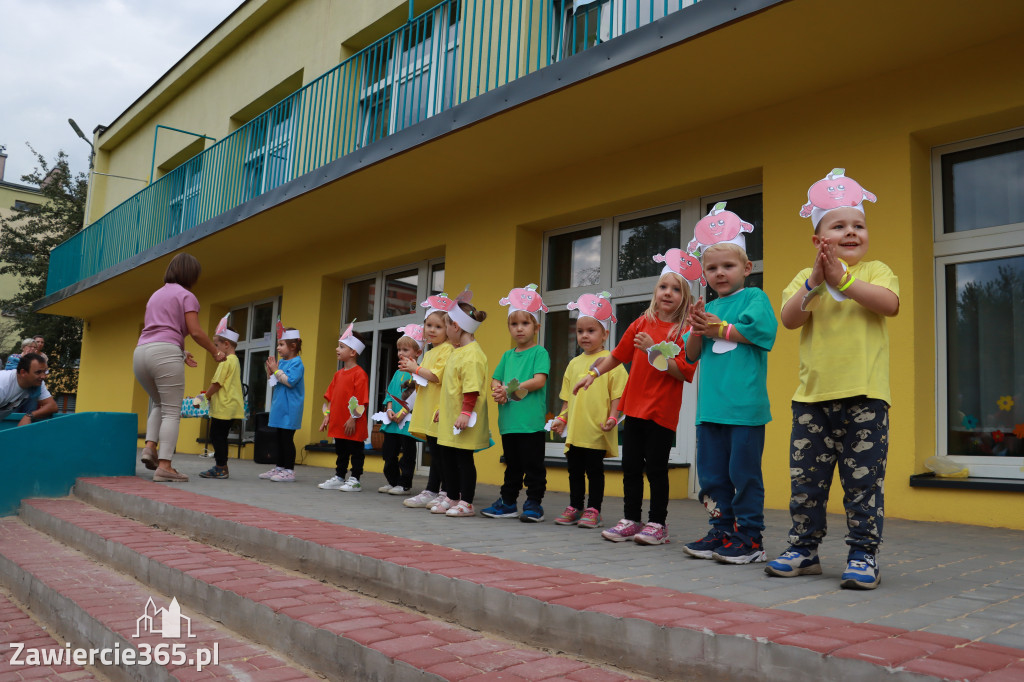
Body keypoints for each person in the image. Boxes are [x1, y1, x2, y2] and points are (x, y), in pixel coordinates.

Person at [764, 169, 899, 590]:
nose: (851, 232)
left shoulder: (876, 271)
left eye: (858, 225)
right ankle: (804, 550)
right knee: (806, 485)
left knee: (863, 484)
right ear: (819, 238)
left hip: (866, 398)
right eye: (838, 226)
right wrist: (816, 283)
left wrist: (846, 280)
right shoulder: (806, 281)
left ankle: (863, 554)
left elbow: (890, 305)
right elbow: (789, 319)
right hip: (812, 401)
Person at [574, 249, 700, 545]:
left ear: (685, 297)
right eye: (663, 287)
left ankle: (658, 524)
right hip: (634, 409)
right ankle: (631, 519)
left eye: (676, 289)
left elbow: (683, 372)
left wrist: (652, 349)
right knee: (630, 467)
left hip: (662, 411)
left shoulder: (685, 330)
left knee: (656, 469)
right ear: (655, 291)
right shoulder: (642, 323)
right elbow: (617, 356)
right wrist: (591, 375)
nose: (668, 293)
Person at [681, 204, 778, 564]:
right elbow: (692, 355)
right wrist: (695, 328)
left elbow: (761, 331)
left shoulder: (755, 297)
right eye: (712, 268)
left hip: (745, 409)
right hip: (711, 410)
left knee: (744, 475)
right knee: (713, 477)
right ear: (704, 272)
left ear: (747, 268)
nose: (720, 273)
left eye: (728, 266)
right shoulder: (707, 309)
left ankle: (750, 539)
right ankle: (722, 531)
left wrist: (716, 328)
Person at [134, 253, 225, 483]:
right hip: (164, 353)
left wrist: (181, 352)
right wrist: (215, 352)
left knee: (159, 403)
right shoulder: (187, 295)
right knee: (172, 411)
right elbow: (194, 331)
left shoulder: (155, 295)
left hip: (141, 353)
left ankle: (149, 448)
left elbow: (158, 329)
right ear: (191, 275)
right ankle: (165, 466)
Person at [551, 292, 627, 529]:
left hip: (596, 429)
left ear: (605, 334)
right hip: (574, 431)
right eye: (580, 331)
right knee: (574, 471)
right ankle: (575, 506)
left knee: (594, 472)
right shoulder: (573, 363)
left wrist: (614, 417)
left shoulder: (611, 361)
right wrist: (561, 419)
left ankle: (594, 509)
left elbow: (618, 395)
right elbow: (567, 399)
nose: (584, 335)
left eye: (591, 331)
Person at [483, 285, 550, 522]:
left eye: (525, 323)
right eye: (514, 324)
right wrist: (497, 391)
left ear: (536, 327)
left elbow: (539, 380)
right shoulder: (507, 355)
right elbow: (494, 380)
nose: (519, 328)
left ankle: (533, 504)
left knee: (533, 467)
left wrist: (509, 389)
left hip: (530, 423)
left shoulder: (539, 352)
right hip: (509, 422)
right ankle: (508, 502)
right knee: (511, 467)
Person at [434, 291, 490, 517]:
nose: (445, 331)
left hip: (463, 417)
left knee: (463, 459)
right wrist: (442, 410)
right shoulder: (458, 352)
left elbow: (471, 388)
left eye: (446, 326)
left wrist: (466, 412)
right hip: (450, 416)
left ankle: (466, 501)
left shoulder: (472, 354)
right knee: (447, 456)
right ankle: (453, 496)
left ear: (455, 327)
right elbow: (451, 387)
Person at [401, 294, 457, 509]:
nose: (432, 330)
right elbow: (425, 377)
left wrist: (415, 368)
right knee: (433, 451)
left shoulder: (448, 350)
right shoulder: (431, 351)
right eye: (428, 325)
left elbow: (437, 376)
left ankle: (445, 491)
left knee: (442, 452)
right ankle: (432, 489)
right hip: (429, 405)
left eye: (438, 326)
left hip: (440, 407)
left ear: (449, 329)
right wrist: (413, 377)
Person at [317, 324, 369, 491]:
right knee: (341, 451)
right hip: (338, 421)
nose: (337, 349)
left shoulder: (359, 374)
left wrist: (353, 419)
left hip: (353, 422)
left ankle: (355, 479)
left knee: (356, 451)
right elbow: (331, 397)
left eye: (341, 346)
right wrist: (327, 415)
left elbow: (361, 401)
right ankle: (339, 476)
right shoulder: (338, 374)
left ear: (353, 352)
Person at [376, 325, 423, 495]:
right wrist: (389, 409)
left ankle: (404, 484)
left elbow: (416, 397)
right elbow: (390, 394)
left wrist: (402, 414)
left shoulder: (417, 373)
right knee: (388, 453)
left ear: (417, 353)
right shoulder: (397, 373)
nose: (400, 353)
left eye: (405, 349)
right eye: (399, 349)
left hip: (407, 423)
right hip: (392, 422)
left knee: (407, 455)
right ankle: (393, 481)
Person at [198, 318, 244, 480]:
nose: (215, 349)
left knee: (217, 436)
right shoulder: (235, 360)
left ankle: (221, 467)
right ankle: (221, 466)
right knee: (221, 436)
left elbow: (217, 383)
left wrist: (205, 396)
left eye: (216, 345)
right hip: (231, 406)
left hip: (223, 407)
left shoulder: (225, 361)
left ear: (226, 345)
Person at [259, 327, 305, 482]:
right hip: (279, 406)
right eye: (278, 344)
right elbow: (274, 383)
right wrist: (270, 372)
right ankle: (279, 467)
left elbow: (290, 381)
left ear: (292, 346)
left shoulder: (297, 363)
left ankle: (289, 470)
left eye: (281, 344)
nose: (278, 347)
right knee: (278, 438)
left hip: (290, 408)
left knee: (286, 439)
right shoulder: (282, 363)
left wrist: (276, 370)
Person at [0, 353, 58, 425]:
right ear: (23, 372)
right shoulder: (2, 384)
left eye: (44, 372)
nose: (43, 376)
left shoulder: (37, 382)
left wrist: (29, 416)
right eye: (38, 372)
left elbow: (52, 406)